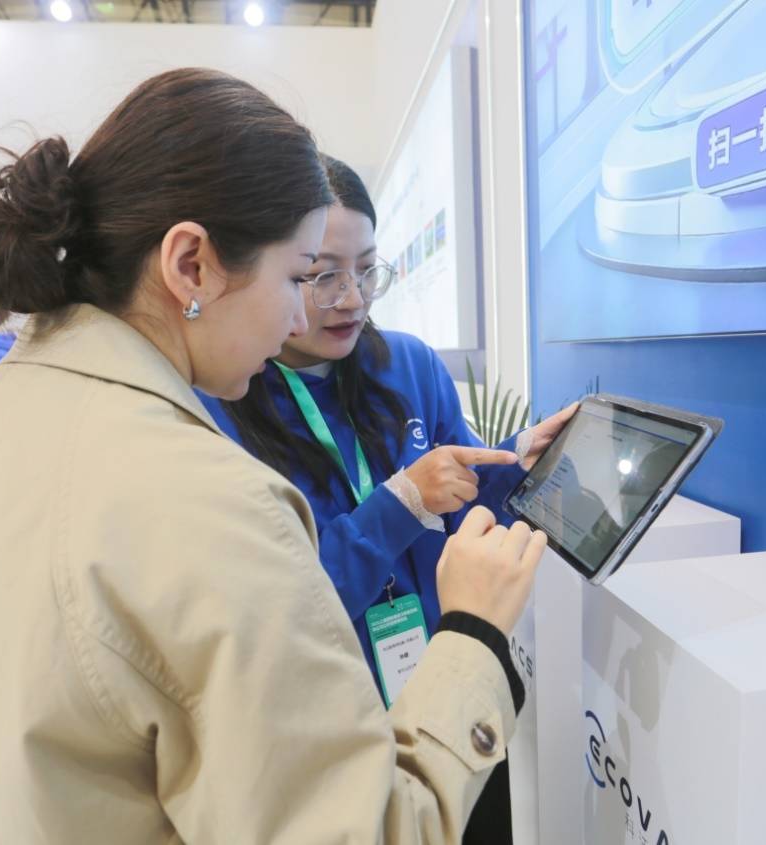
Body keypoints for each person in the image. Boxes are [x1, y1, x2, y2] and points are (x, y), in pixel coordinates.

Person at [0, 68, 545, 845]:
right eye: (301, 275)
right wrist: (473, 637)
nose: (307, 312)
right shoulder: (202, 498)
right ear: (191, 264)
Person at [200, 155, 576, 844]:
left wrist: (518, 461)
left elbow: (466, 504)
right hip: (333, 728)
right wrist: (399, 503)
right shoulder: (225, 402)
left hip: (450, 685)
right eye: (321, 275)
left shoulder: (408, 364)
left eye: (368, 270)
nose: (352, 298)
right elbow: (288, 604)